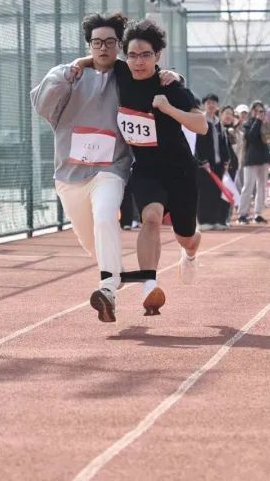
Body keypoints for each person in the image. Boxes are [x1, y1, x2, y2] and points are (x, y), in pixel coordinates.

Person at [31, 12, 180, 323]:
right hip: (69, 175)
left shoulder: (128, 75)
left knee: (104, 216)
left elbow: (158, 79)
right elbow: (41, 103)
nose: (103, 48)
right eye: (97, 42)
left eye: (110, 42)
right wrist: (73, 68)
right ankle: (115, 273)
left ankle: (108, 290)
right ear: (89, 45)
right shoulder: (70, 75)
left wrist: (172, 76)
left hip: (111, 168)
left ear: (119, 45)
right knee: (93, 244)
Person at [79, 18, 206, 317]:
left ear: (157, 55)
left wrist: (168, 108)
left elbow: (201, 125)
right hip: (146, 170)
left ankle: (190, 253)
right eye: (133, 55)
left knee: (186, 236)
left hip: (181, 172)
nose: (138, 62)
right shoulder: (122, 73)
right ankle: (149, 285)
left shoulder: (170, 86)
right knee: (150, 218)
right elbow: (100, 58)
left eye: (145, 55)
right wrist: (79, 63)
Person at [195, 93, 232, 230]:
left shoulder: (218, 123)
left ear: (217, 106)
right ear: (204, 105)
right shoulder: (201, 120)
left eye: (214, 103)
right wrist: (203, 161)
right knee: (205, 192)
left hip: (218, 164)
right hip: (205, 165)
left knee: (217, 192)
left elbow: (224, 143)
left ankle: (216, 220)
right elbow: (198, 144)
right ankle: (204, 221)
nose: (211, 105)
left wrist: (226, 159)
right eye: (208, 103)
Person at [236, 100, 270, 225]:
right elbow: (250, 137)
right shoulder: (247, 124)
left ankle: (258, 213)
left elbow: (269, 139)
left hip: (263, 158)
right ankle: (242, 214)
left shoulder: (265, 124)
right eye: (257, 110)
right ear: (252, 111)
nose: (259, 113)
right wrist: (258, 121)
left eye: (261, 110)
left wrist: (266, 125)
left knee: (262, 187)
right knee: (248, 186)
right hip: (251, 159)